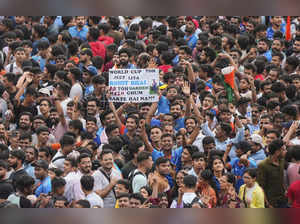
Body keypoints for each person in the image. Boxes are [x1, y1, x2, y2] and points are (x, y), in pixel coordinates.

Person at [257, 139, 288, 208]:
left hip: (283, 199)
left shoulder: (282, 161)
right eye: (283, 150)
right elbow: (261, 187)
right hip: (272, 202)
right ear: (277, 152)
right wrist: (267, 204)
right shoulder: (263, 165)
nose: (286, 151)